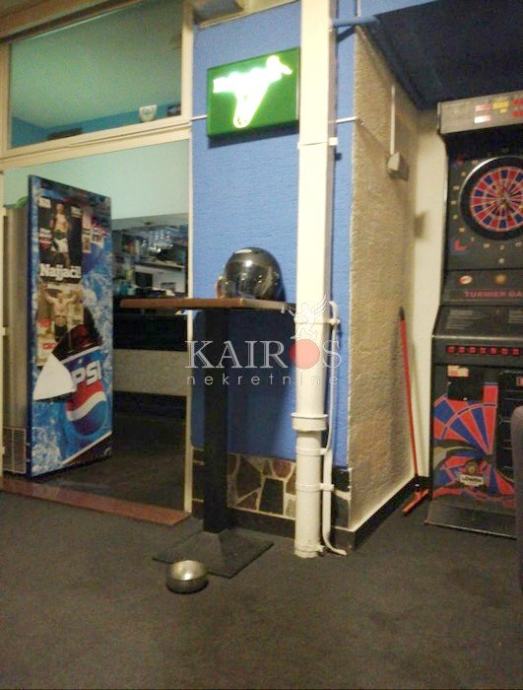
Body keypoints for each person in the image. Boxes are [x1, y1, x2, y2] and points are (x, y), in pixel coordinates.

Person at [50, 202, 71, 267]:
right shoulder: (54, 216)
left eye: (61, 207)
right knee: (54, 254)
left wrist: (65, 232)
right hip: (56, 235)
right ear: (56, 207)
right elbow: (51, 226)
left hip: (62, 236)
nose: (59, 208)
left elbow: (68, 227)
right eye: (58, 206)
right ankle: (52, 268)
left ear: (63, 208)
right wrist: (52, 219)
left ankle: (68, 268)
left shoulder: (64, 217)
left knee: (65, 255)